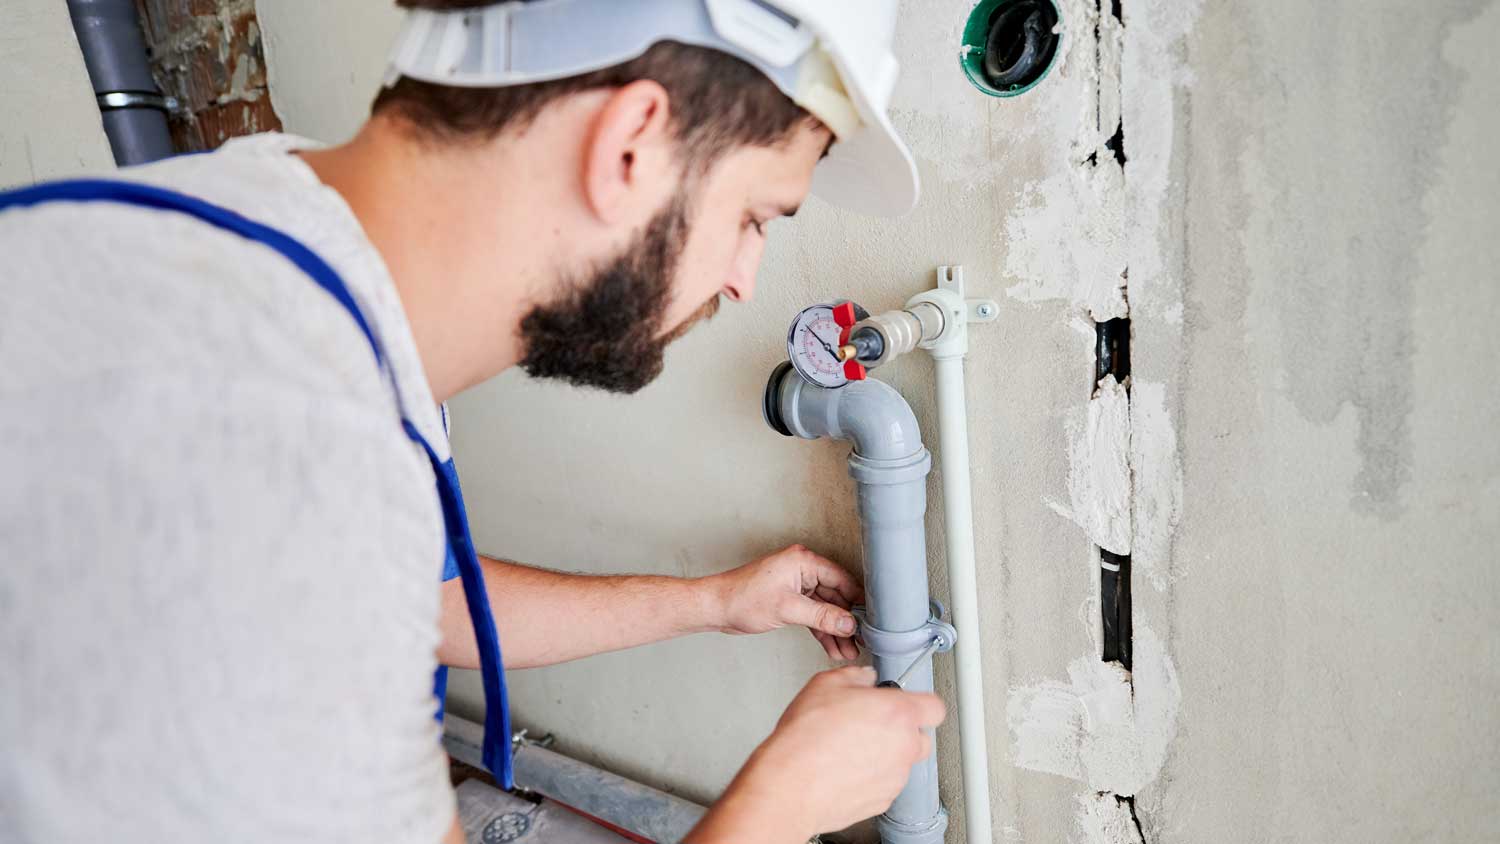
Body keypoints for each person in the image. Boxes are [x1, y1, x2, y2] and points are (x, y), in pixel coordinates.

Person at [0, 1, 945, 842]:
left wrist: (713, 602)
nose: (743, 279)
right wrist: (777, 809)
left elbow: (430, 601)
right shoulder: (266, 460)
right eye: (754, 216)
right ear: (630, 146)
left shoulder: (264, 249)